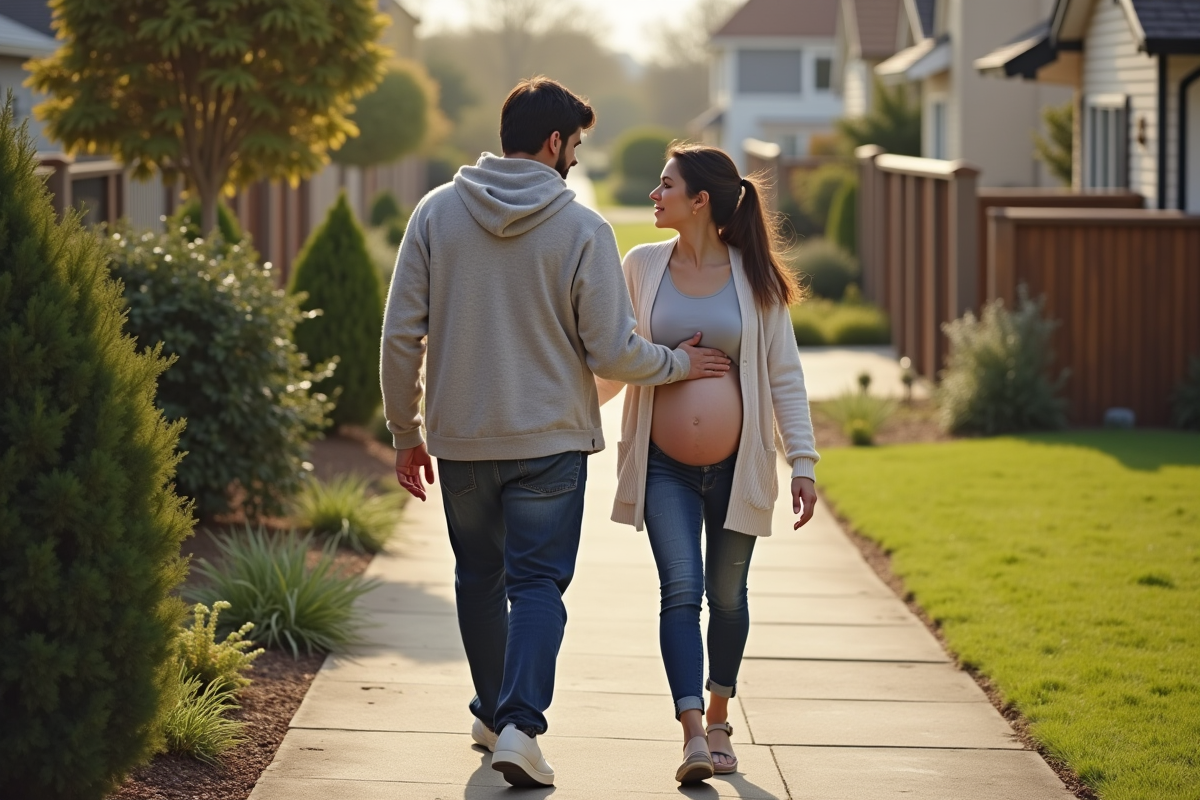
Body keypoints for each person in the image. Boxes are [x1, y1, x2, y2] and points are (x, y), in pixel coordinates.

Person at [380, 78, 732, 788]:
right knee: (537, 583)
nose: (575, 159)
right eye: (574, 145)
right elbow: (611, 352)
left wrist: (403, 431)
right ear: (554, 142)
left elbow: (398, 335)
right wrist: (678, 363)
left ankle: (493, 714)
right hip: (550, 446)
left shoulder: (435, 213)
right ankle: (519, 726)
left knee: (479, 576)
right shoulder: (582, 229)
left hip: (463, 442)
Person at [596, 143, 820, 784]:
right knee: (680, 591)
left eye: (665, 185)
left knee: (728, 597)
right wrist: (568, 411)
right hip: (664, 465)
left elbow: (784, 376)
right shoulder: (640, 266)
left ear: (700, 200)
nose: (653, 195)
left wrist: (801, 460)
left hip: (735, 467)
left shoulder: (756, 276)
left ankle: (720, 713)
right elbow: (613, 357)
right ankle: (694, 734)